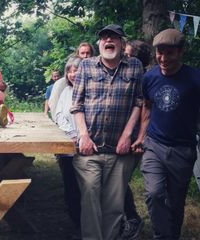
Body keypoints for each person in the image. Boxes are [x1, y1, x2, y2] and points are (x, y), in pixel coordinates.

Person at [70, 24, 143, 240]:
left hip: (121, 151)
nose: (108, 41)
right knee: (90, 197)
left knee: (114, 204)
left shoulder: (135, 66)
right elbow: (77, 104)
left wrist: (127, 135)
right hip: (89, 149)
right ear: (99, 43)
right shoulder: (86, 66)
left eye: (113, 37)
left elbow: (139, 102)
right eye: (104, 38)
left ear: (122, 43)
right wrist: (83, 135)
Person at [131, 28, 200, 239]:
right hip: (155, 145)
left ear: (180, 53)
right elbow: (148, 108)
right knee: (154, 193)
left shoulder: (195, 78)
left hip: (183, 149)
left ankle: (171, 235)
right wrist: (142, 136)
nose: (163, 58)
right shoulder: (149, 77)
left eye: (169, 53)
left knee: (176, 201)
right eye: (160, 52)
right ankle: (161, 236)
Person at [120, 39, 152, 240]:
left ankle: (132, 219)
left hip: (136, 139)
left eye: (129, 55)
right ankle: (126, 219)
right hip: (124, 135)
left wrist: (141, 138)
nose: (125, 57)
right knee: (116, 181)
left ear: (138, 59)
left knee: (119, 181)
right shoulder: (129, 75)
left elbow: (147, 112)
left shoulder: (146, 79)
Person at [53, 56, 82, 238]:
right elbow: (58, 115)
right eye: (69, 71)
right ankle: (76, 223)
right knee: (71, 187)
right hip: (68, 146)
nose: (72, 74)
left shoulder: (92, 89)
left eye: (76, 70)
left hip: (88, 146)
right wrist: (71, 133)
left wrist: (82, 136)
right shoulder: (66, 92)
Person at [48, 42, 94, 120]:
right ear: (77, 55)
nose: (85, 56)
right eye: (82, 53)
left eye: (88, 53)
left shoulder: (96, 78)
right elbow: (53, 104)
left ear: (92, 55)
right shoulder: (62, 83)